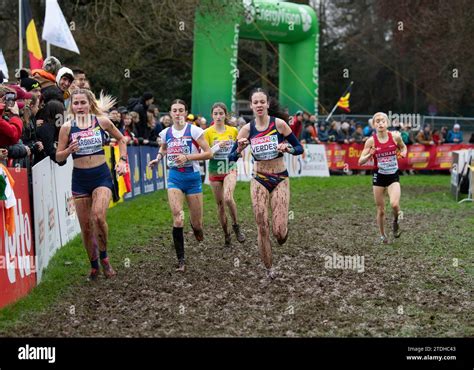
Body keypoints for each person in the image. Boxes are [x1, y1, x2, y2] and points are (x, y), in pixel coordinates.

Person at [228, 88, 303, 279]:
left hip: (280, 178)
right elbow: (230, 158)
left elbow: (299, 148)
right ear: (251, 106)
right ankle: (269, 268)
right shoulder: (246, 129)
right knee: (262, 225)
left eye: (262, 102)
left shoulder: (279, 124)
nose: (259, 105)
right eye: (256, 102)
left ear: (267, 104)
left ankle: (283, 232)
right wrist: (239, 148)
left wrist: (287, 148)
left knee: (278, 232)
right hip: (259, 178)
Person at [56, 89, 128, 280]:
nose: (79, 107)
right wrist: (69, 150)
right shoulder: (66, 127)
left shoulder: (101, 122)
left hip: (101, 176)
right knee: (86, 227)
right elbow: (58, 156)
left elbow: (122, 139)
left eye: (83, 103)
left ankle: (105, 258)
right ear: (71, 106)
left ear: (90, 104)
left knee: (97, 217)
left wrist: (122, 160)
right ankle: (94, 266)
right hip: (80, 179)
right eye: (76, 103)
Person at [148, 99, 212, 272]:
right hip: (174, 177)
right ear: (170, 113)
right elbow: (163, 148)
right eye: (174, 110)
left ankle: (196, 228)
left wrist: (188, 157)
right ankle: (181, 260)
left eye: (181, 110)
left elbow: (209, 153)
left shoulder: (195, 130)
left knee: (197, 224)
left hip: (192, 178)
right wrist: (158, 158)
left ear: (185, 113)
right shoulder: (165, 132)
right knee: (178, 217)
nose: (177, 113)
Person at [358, 112, 407, 244]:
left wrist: (402, 154)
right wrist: (369, 155)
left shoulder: (395, 137)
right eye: (377, 121)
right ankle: (383, 235)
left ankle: (396, 222)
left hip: (393, 176)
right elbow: (360, 161)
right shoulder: (371, 141)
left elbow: (403, 148)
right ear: (374, 124)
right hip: (378, 177)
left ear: (387, 123)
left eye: (383, 121)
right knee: (381, 210)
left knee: (395, 204)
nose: (380, 123)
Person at [204, 102, 246, 247]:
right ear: (212, 115)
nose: (218, 116)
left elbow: (238, 149)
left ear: (225, 115)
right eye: (215, 114)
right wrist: (216, 147)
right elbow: (205, 153)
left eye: (221, 113)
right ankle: (226, 234)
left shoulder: (233, 131)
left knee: (228, 197)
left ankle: (236, 226)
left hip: (229, 168)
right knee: (220, 205)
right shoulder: (207, 132)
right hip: (215, 171)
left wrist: (239, 152)